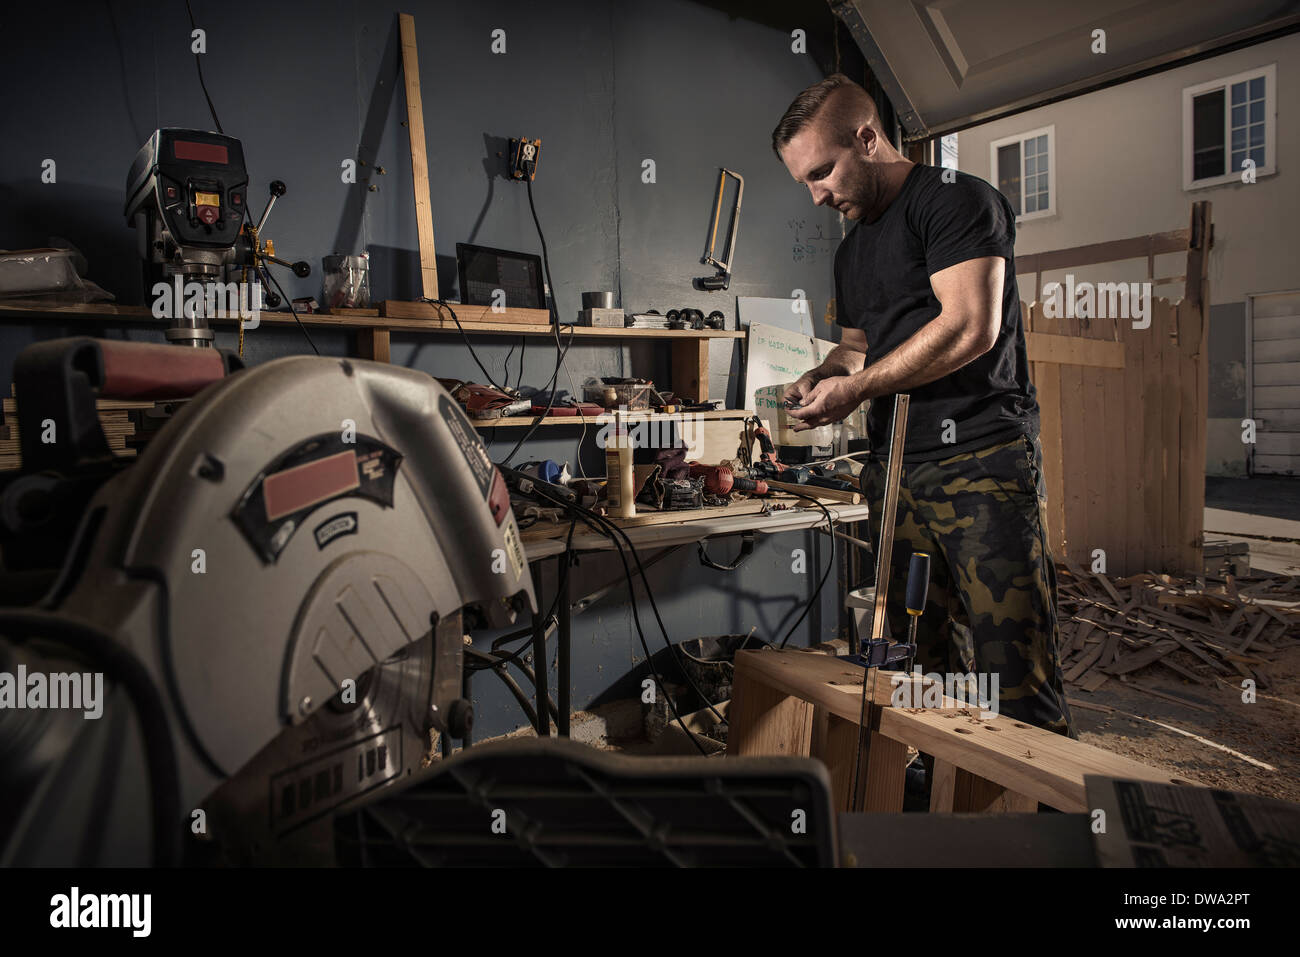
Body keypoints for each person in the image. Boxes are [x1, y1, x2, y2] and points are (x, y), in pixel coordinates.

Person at [772, 74, 1075, 738]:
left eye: (822, 171)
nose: (817, 193)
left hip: (983, 462)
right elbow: (856, 349)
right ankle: (931, 803)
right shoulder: (852, 252)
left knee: (1014, 673)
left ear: (868, 137)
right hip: (898, 466)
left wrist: (855, 388)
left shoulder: (956, 202)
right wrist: (823, 375)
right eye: (805, 182)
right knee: (908, 666)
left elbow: (971, 325)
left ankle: (1051, 831)